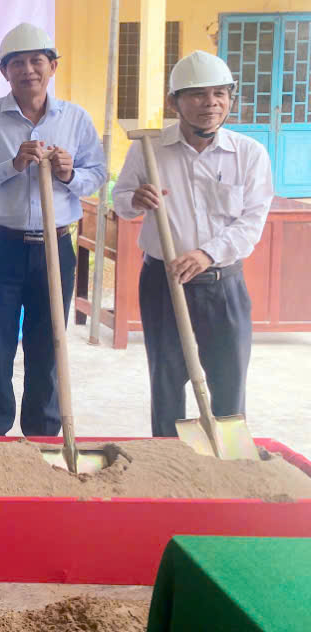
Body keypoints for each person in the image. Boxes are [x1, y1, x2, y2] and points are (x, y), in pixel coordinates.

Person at [0, 23, 107, 437]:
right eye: (16, 63)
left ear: (53, 66)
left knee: (49, 349)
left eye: (37, 61)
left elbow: (97, 176)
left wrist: (71, 173)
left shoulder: (75, 119)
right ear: (4, 71)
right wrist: (12, 166)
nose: (28, 70)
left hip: (56, 247)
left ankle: (43, 440)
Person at [112, 50, 273, 436]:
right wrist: (135, 200)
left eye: (220, 94)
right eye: (198, 95)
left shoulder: (249, 155)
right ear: (174, 102)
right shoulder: (149, 150)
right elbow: (119, 200)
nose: (211, 104)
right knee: (167, 382)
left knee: (229, 382)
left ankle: (228, 470)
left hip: (224, 285)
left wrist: (206, 254)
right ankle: (171, 468)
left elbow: (252, 221)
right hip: (164, 284)